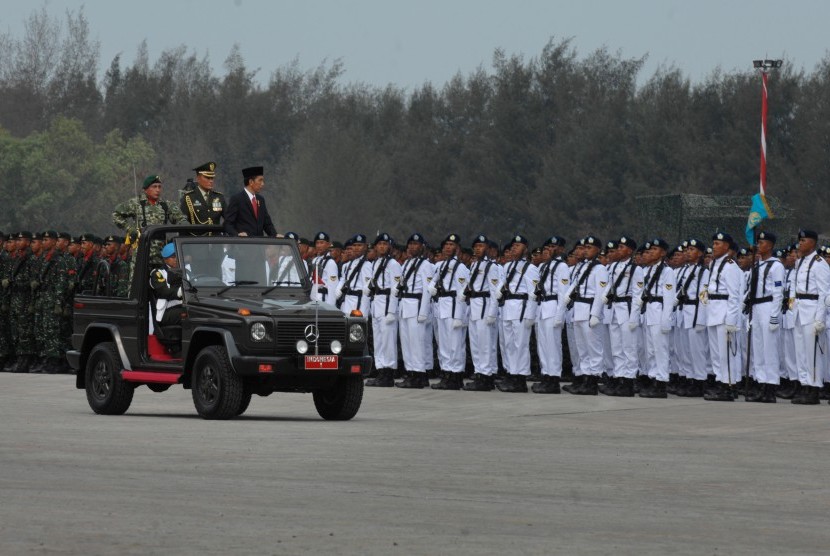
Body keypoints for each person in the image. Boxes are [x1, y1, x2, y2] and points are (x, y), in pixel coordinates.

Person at [743, 231, 785, 403]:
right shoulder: (757, 265)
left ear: (771, 245)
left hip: (768, 306)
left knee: (769, 350)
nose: (759, 245)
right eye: (758, 242)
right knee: (758, 349)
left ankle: (770, 386)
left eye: (762, 242)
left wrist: (774, 316)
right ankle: (760, 383)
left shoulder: (776, 266)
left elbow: (778, 293)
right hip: (756, 307)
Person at [790, 229, 830, 404]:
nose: (800, 244)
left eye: (803, 240)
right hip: (799, 310)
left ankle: (813, 389)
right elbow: (794, 287)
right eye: (799, 240)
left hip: (812, 311)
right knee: (801, 352)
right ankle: (804, 384)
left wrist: (820, 319)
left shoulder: (819, 263)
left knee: (813, 353)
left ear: (812, 243)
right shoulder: (800, 262)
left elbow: (824, 293)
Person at [496, 235, 540, 393]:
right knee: (509, 345)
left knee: (520, 345)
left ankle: (520, 379)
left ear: (525, 249)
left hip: (521, 309)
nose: (514, 248)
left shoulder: (531, 269)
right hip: (508, 308)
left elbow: (533, 293)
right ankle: (512, 375)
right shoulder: (507, 267)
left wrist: (530, 314)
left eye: (518, 245)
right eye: (513, 245)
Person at [703, 232, 744, 401]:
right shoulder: (715, 264)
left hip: (724, 314)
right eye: (713, 243)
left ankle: (728, 386)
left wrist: (731, 320)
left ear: (727, 247)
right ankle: (721, 382)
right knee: (716, 354)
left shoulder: (730, 266)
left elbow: (735, 296)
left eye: (718, 243)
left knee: (726, 354)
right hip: (713, 312)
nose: (714, 246)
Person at [429, 234, 470, 390]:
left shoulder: (461, 268)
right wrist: (431, 287)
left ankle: (456, 375)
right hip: (442, 307)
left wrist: (460, 316)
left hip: (454, 308)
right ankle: (446, 373)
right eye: (446, 244)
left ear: (457, 248)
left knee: (455, 345)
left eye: (451, 245)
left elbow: (462, 293)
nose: (447, 247)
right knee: (444, 344)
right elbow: (433, 282)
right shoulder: (440, 266)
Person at [463, 235, 504, 391]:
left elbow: (495, 292)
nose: (478, 249)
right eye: (476, 246)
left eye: (481, 246)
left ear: (487, 248)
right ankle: (479, 373)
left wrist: (492, 313)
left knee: (485, 344)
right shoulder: (474, 266)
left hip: (485, 308)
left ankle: (486, 376)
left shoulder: (491, 267)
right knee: (476, 344)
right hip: (474, 307)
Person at [365, 233, 402, 387]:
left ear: (389, 247)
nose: (382, 247)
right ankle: (380, 370)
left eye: (385, 244)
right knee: (379, 341)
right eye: (379, 244)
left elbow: (396, 288)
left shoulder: (393, 264)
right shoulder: (375, 263)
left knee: (388, 342)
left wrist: (392, 311)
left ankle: (388, 373)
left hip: (387, 305)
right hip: (377, 304)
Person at [224, 166, 276, 237]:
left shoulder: (261, 200)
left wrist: (275, 235)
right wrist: (237, 235)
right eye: (260, 180)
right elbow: (228, 224)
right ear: (251, 182)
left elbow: (267, 224)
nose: (262, 184)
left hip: (259, 245)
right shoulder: (237, 199)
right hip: (243, 245)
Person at [150, 242, 183, 328]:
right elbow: (163, 291)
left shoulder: (185, 270)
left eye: (177, 256)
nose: (176, 259)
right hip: (166, 310)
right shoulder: (158, 273)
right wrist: (180, 292)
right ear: (165, 260)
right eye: (173, 257)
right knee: (192, 314)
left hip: (183, 306)